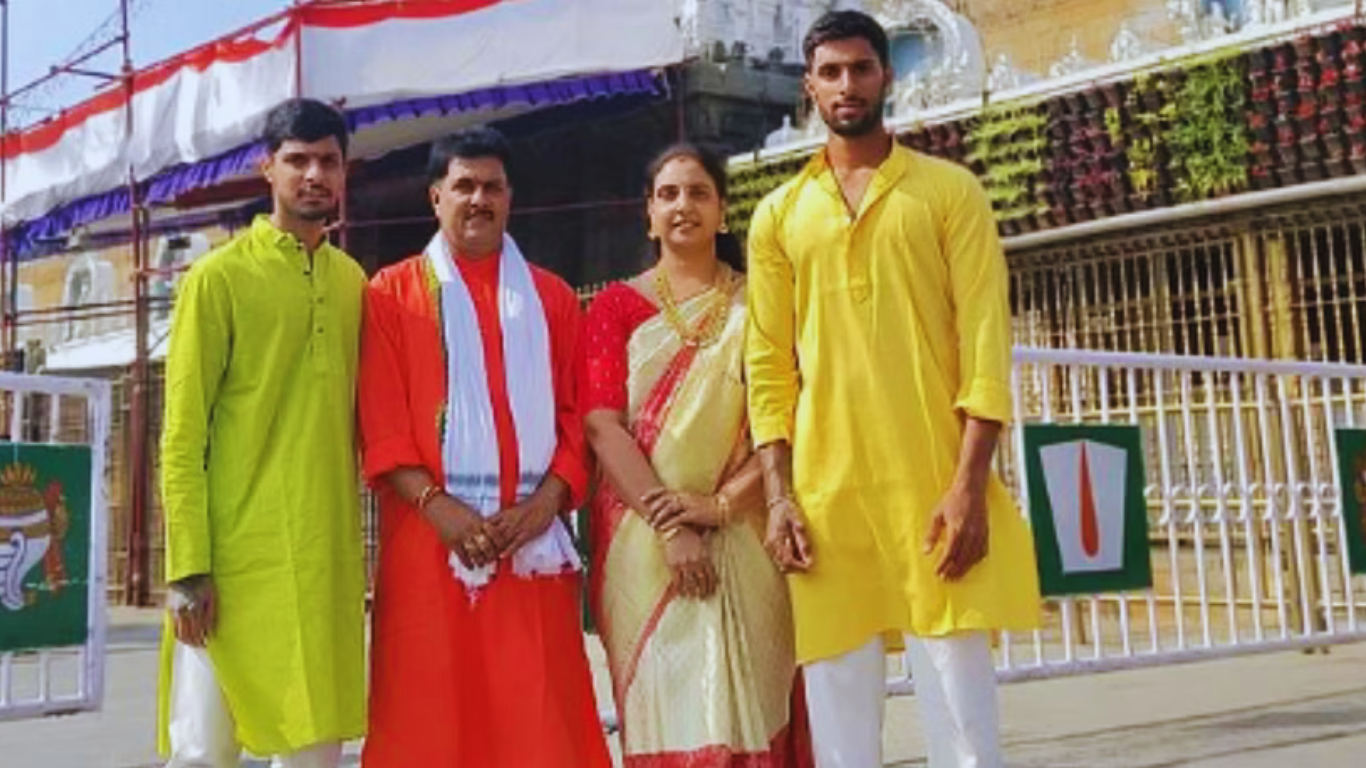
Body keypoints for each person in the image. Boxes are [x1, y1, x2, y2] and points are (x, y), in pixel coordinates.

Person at [744, 10, 1042, 768]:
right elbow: (768, 365)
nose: (848, 85)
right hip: (825, 500)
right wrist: (779, 497)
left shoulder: (949, 192)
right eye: (831, 72)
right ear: (809, 86)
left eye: (861, 68)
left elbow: (984, 344)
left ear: (888, 75)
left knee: (965, 732)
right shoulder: (780, 216)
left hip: (935, 488)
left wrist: (969, 486)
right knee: (842, 735)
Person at [357, 127, 611, 767]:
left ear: (510, 198)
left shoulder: (551, 299)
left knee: (537, 710)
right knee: (431, 711)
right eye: (463, 185)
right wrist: (442, 510)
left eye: (491, 186)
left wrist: (544, 506)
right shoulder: (390, 294)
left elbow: (577, 417)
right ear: (435, 197)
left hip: (532, 550)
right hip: (428, 545)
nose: (478, 199)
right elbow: (381, 422)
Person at [584, 143, 813, 767]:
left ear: (722, 212)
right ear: (648, 216)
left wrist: (717, 506)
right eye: (668, 195)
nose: (683, 206)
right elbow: (603, 426)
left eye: (698, 193)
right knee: (668, 710)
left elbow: (783, 418)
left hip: (744, 534)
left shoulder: (760, 304)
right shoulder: (614, 308)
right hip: (640, 544)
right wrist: (671, 523)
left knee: (756, 699)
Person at [157, 98, 367, 768]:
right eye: (297, 160)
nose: (314, 174)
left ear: (344, 173)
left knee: (314, 747)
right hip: (229, 563)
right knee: (202, 750)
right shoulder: (218, 278)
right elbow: (182, 432)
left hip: (322, 554)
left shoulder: (353, 284)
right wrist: (188, 567)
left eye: (327, 161)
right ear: (266, 169)